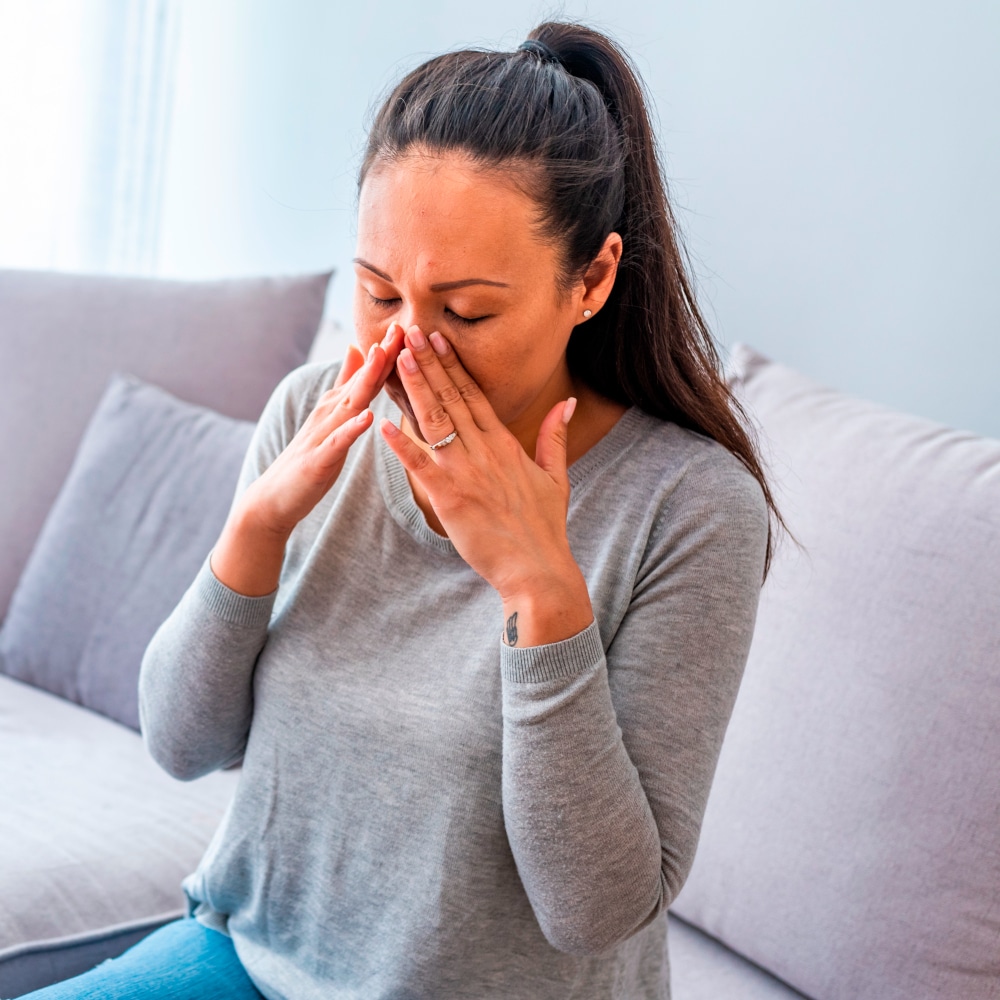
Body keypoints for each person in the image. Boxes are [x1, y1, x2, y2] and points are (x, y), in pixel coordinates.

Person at [18, 20, 782, 1000]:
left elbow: (593, 910)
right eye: (378, 293)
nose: (408, 349)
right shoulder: (313, 409)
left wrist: (540, 589)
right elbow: (181, 741)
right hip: (250, 960)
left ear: (588, 280)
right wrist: (253, 532)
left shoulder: (689, 508)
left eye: (466, 312)